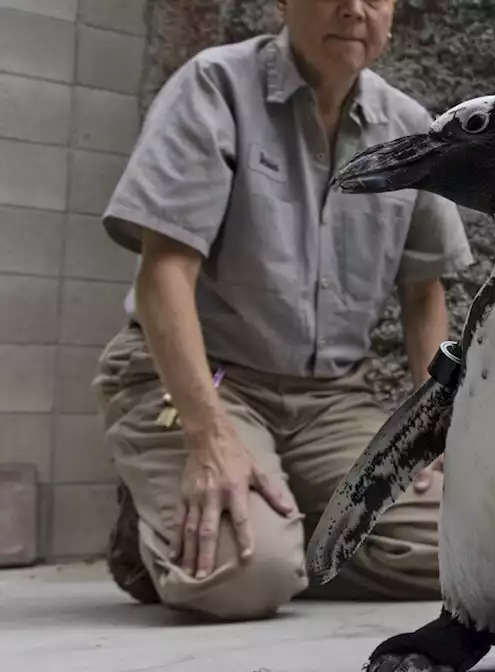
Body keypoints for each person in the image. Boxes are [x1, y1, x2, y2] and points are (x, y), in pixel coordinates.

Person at [91, 0, 475, 621]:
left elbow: (423, 291)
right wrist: (208, 436)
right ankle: (172, 537)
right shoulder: (214, 85)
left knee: (466, 548)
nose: (354, 10)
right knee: (243, 577)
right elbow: (163, 272)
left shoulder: (409, 129)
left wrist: (434, 424)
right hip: (208, 383)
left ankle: (284, 526)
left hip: (329, 403)